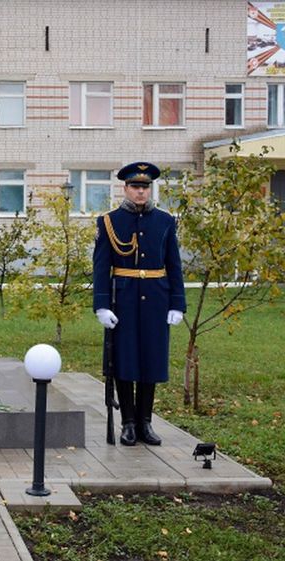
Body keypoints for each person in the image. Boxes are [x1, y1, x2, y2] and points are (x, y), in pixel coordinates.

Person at [92, 161, 186, 446]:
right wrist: (102, 305)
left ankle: (146, 422)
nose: (140, 192)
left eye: (145, 187)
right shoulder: (109, 221)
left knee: (151, 361)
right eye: (135, 186)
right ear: (125, 188)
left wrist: (177, 304)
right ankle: (128, 423)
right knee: (125, 361)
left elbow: (174, 264)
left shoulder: (165, 221)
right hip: (124, 299)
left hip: (157, 298)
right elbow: (101, 267)